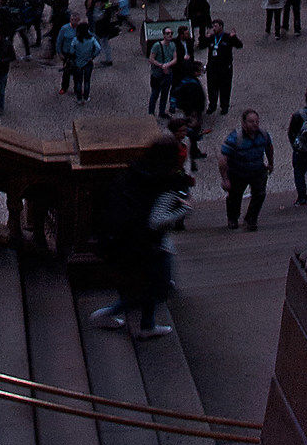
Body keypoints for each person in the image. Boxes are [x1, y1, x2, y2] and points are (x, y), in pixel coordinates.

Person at [90, 139, 187, 337]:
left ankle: (145, 324)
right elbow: (156, 221)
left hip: (128, 240)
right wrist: (183, 210)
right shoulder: (163, 184)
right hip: (148, 244)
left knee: (147, 287)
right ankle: (113, 314)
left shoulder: (138, 171)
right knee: (155, 288)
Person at [220, 109, 273, 230]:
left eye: (257, 121)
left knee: (260, 194)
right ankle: (233, 218)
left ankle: (251, 219)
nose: (255, 124)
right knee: (235, 196)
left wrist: (270, 163)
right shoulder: (235, 138)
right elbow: (223, 159)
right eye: (251, 121)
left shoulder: (263, 135)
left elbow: (269, 148)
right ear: (243, 123)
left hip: (257, 170)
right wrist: (225, 178)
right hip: (238, 172)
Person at [205, 21, 237, 115]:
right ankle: (212, 105)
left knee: (225, 89)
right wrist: (205, 38)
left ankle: (224, 106)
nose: (214, 28)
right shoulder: (211, 37)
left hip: (225, 69)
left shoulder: (228, 37)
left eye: (215, 26)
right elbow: (202, 45)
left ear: (221, 27)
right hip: (212, 68)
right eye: (213, 26)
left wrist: (234, 37)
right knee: (212, 89)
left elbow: (239, 45)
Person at [147, 30, 177, 116]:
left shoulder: (172, 45)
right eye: (167, 33)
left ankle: (162, 112)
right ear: (163, 35)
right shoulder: (157, 45)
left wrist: (167, 65)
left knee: (165, 94)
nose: (170, 35)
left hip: (167, 73)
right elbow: (151, 59)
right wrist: (161, 65)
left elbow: (175, 58)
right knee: (155, 94)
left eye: (171, 33)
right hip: (157, 74)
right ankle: (151, 113)